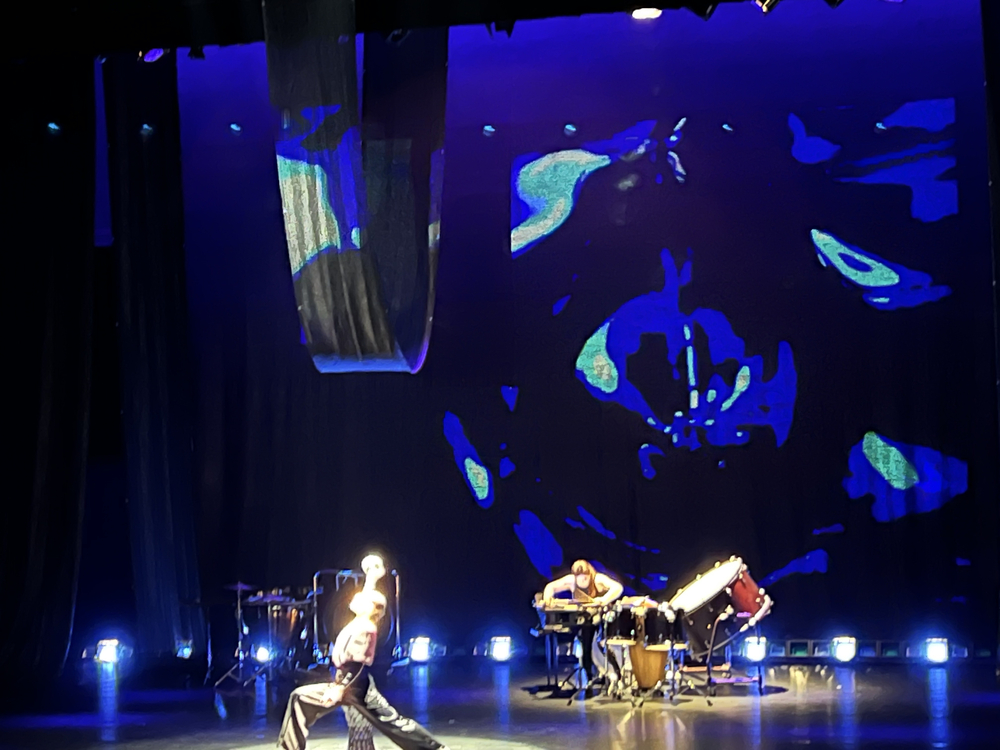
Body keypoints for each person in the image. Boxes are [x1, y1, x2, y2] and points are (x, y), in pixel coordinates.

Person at [278, 559, 447, 750]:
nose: (357, 597)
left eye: (363, 599)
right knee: (299, 698)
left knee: (394, 723)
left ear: (371, 608)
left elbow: (356, 665)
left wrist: (340, 688)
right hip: (344, 682)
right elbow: (368, 594)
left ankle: (436, 749)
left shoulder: (366, 628)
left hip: (356, 687)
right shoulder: (360, 621)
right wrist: (372, 576)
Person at [543, 560, 624, 681]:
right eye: (579, 578)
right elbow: (551, 586)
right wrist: (547, 597)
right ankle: (589, 674)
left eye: (585, 578)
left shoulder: (598, 579)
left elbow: (618, 587)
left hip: (600, 618)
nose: (582, 581)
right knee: (584, 644)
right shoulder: (571, 580)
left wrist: (603, 599)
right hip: (582, 619)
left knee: (597, 643)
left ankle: (611, 671)